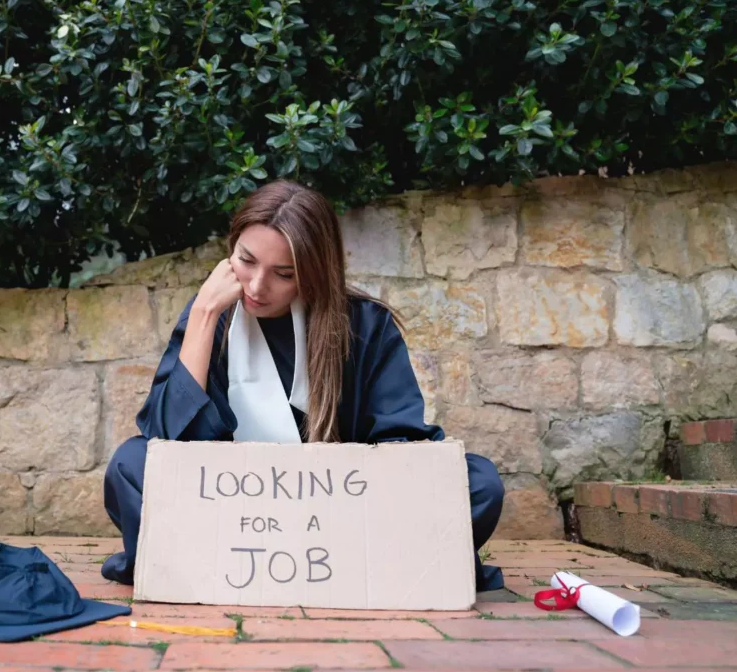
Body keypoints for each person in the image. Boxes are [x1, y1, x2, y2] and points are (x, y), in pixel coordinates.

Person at [101, 180, 505, 593]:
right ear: (230, 251)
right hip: (231, 510)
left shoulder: (363, 325)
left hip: (340, 513)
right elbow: (165, 443)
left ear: (314, 273)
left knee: (478, 483)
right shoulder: (214, 313)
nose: (257, 287)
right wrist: (204, 314)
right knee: (129, 465)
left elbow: (398, 439)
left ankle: (305, 561)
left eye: (284, 274)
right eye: (246, 261)